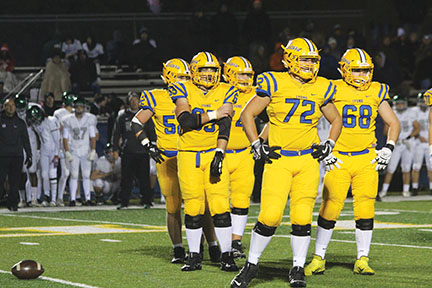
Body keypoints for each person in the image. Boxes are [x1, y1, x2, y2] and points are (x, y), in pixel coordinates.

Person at [231, 38, 342, 288]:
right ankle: (251, 266)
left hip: (308, 160)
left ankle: (298, 268)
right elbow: (247, 114)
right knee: (270, 215)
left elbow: (336, 120)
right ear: (291, 59)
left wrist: (330, 144)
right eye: (305, 59)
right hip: (279, 160)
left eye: (313, 60)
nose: (310, 64)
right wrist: (256, 143)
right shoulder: (274, 81)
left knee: (302, 217)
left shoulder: (321, 86)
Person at [304, 48, 401, 277]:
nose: (362, 75)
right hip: (339, 158)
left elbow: (393, 123)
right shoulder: (332, 87)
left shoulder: (377, 90)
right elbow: (306, 119)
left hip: (366, 158)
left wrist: (389, 147)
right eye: (357, 70)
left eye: (365, 70)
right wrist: (324, 148)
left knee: (366, 207)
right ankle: (319, 257)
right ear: (344, 70)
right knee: (330, 207)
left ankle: (362, 258)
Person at [132, 58, 221, 264]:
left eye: (187, 77)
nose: (184, 81)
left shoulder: (196, 93)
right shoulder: (157, 97)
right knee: (173, 206)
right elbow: (136, 122)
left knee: (202, 204)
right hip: (169, 156)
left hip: (192, 154)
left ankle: (212, 245)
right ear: (169, 78)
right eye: (181, 77)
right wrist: (147, 144)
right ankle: (179, 248)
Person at [168, 51, 239, 272]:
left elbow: (226, 125)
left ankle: (227, 255)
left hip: (212, 151)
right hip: (189, 154)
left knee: (220, 205)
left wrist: (220, 151)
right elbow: (186, 121)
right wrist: (215, 113)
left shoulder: (227, 89)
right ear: (193, 71)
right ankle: (194, 255)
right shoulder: (182, 88)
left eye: (213, 70)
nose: (208, 75)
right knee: (194, 206)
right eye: (204, 70)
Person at [222, 56, 256, 258]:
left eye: (248, 74)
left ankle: (236, 241)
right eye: (241, 73)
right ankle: (213, 242)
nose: (245, 78)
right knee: (217, 202)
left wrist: (258, 140)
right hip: (222, 152)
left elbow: (272, 119)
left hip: (244, 153)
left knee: (242, 200)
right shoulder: (218, 91)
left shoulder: (255, 94)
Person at [112, 92, 152, 209]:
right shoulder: (122, 116)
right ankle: (124, 201)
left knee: (144, 178)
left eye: (136, 99)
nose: (134, 102)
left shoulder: (145, 114)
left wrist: (151, 146)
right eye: (132, 100)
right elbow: (116, 134)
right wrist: (115, 149)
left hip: (142, 151)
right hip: (128, 151)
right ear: (128, 102)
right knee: (126, 178)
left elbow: (151, 131)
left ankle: (146, 201)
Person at [379, 95, 419, 198]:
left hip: (407, 143)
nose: (400, 106)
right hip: (396, 143)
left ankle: (405, 190)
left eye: (402, 103)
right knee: (391, 168)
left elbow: (417, 128)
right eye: (398, 103)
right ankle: (384, 190)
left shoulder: (410, 113)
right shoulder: (392, 113)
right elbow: (385, 131)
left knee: (406, 168)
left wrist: (409, 136)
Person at [62, 97, 97, 206]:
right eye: (77, 107)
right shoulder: (68, 119)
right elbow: (65, 137)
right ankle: (72, 199)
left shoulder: (90, 119)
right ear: (74, 107)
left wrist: (93, 150)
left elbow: (92, 136)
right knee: (74, 175)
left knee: (86, 175)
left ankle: (87, 198)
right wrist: (67, 151)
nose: (79, 109)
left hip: (85, 149)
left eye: (81, 107)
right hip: (74, 149)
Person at [0, 97, 32, 211]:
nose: (11, 107)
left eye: (13, 105)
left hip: (17, 156)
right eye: (8, 105)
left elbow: (25, 140)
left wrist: (29, 154)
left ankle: (13, 203)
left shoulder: (20, 122)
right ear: (4, 107)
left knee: (15, 181)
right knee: (1, 179)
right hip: (2, 155)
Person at [26, 104, 60, 206]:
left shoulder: (51, 120)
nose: (35, 121)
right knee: (44, 175)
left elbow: (57, 139)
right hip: (44, 150)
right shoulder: (35, 124)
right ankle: (46, 195)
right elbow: (39, 137)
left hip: (53, 150)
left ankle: (54, 199)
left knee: (52, 174)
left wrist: (57, 154)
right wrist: (38, 150)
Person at [54, 92, 77, 206]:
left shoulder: (76, 113)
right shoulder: (59, 113)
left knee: (73, 173)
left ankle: (73, 197)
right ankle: (57, 198)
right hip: (62, 145)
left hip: (74, 145)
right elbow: (58, 130)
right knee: (65, 173)